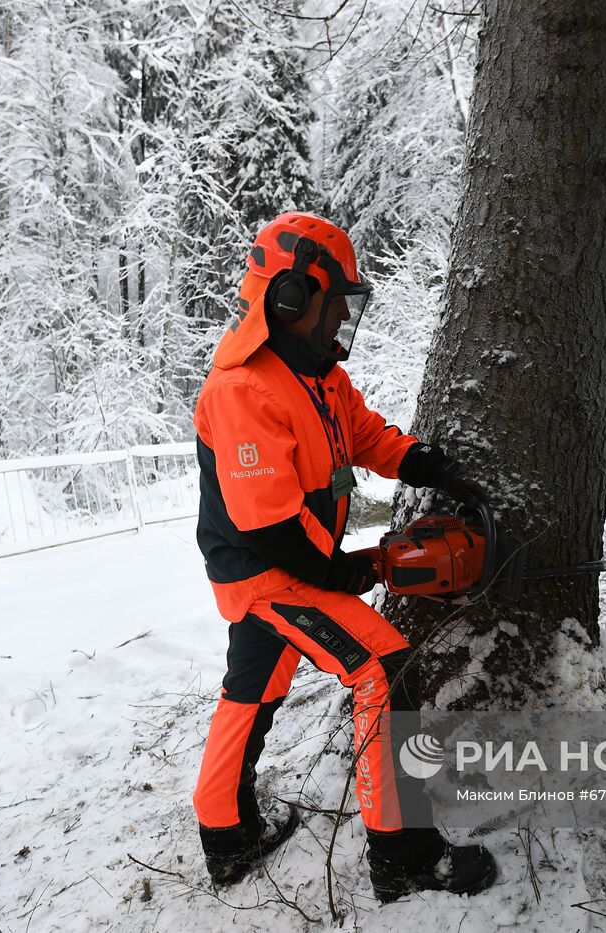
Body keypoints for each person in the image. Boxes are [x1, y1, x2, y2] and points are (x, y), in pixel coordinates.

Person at [190, 210, 498, 902]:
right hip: (267, 573)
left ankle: (225, 829)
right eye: (333, 306)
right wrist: (348, 571)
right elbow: (271, 528)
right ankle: (404, 854)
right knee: (384, 667)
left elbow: (361, 432)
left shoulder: (318, 376)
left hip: (286, 566)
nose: (341, 322)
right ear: (291, 300)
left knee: (253, 690)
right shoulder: (244, 387)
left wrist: (426, 464)